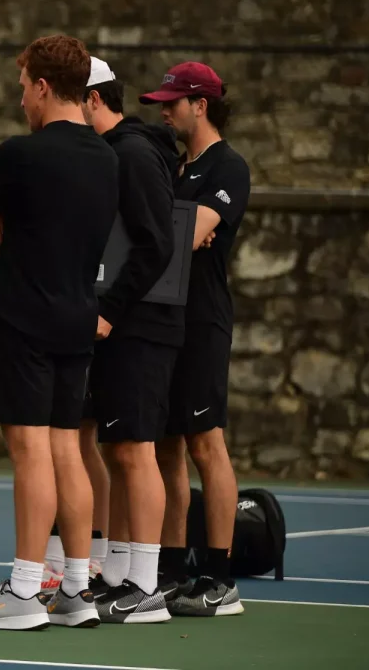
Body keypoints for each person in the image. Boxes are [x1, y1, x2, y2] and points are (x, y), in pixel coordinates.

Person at [0, 35, 117, 630]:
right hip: (77, 316)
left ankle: (26, 590)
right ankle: (75, 588)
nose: (21, 97)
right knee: (66, 450)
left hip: (24, 316)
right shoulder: (107, 158)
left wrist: (0, 238)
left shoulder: (21, 155)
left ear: (44, 87)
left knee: (31, 455)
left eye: (24, 85)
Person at [141, 62, 249, 617]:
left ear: (200, 105)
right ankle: (170, 569)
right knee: (166, 449)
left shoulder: (228, 166)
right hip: (165, 322)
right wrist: (178, 227)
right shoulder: (173, 165)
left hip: (204, 321)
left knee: (207, 443)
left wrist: (179, 228)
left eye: (173, 103)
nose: (165, 111)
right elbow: (174, 233)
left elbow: (193, 234)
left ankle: (219, 576)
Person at [79, 57, 180, 624]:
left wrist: (112, 310)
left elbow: (155, 244)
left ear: (93, 99)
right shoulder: (116, 153)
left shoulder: (133, 154)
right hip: (125, 322)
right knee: (119, 451)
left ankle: (145, 584)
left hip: (142, 325)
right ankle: (119, 574)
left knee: (137, 451)